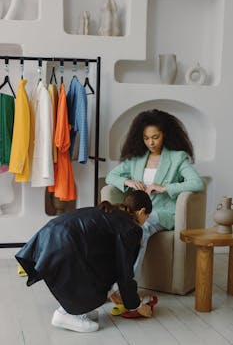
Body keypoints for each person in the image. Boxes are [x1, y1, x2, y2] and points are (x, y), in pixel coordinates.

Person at [15, 190, 152, 333]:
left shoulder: (114, 212)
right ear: (142, 212)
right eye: (147, 217)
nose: (145, 221)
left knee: (99, 266)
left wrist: (115, 293)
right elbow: (125, 271)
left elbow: (112, 264)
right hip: (65, 243)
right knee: (87, 272)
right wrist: (135, 305)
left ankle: (79, 310)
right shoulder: (131, 228)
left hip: (53, 233)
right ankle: (64, 314)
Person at [106, 109, 204, 280]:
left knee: (139, 229)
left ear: (164, 134)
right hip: (136, 211)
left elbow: (197, 183)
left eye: (155, 137)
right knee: (114, 228)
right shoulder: (136, 159)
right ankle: (108, 281)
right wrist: (128, 182)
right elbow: (110, 176)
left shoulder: (177, 158)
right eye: (146, 138)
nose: (150, 142)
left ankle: (127, 286)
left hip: (163, 213)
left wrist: (165, 188)